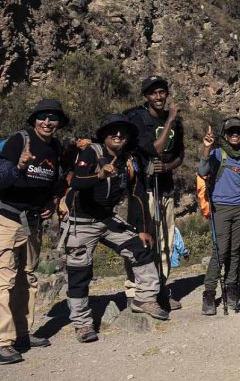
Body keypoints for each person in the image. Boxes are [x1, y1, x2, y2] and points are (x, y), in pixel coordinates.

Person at [63, 115, 169, 342]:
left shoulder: (128, 160)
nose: (118, 136)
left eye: (123, 132)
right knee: (80, 271)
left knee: (140, 247)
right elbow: (77, 182)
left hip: (107, 219)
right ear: (104, 134)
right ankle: (82, 324)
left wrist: (141, 228)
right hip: (81, 221)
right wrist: (100, 175)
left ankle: (145, 299)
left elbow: (136, 194)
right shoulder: (92, 152)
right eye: (113, 131)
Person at [0, 99, 68, 365]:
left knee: (27, 277)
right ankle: (3, 341)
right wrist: (18, 166)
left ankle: (22, 334)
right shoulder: (19, 140)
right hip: (5, 217)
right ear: (34, 120)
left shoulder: (54, 147)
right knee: (4, 278)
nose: (48, 122)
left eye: (53, 118)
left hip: (31, 222)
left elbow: (53, 181)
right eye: (43, 117)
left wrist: (50, 203)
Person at [125, 75, 184, 311]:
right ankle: (134, 290)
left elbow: (179, 155)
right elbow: (154, 149)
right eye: (153, 93)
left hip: (166, 187)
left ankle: (160, 288)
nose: (159, 97)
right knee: (142, 239)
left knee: (165, 240)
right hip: (143, 189)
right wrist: (169, 119)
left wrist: (168, 167)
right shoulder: (137, 119)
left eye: (162, 92)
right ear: (146, 97)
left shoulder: (177, 124)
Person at [199, 119, 240, 314]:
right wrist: (206, 149)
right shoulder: (218, 153)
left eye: (239, 132)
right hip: (221, 208)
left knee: (236, 250)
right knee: (220, 250)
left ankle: (232, 290)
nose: (235, 134)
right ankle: (209, 293)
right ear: (225, 134)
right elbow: (202, 170)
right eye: (231, 131)